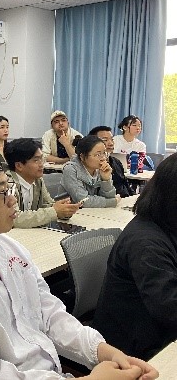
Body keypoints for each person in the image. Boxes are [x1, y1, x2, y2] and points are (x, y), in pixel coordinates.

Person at [0, 149, 158, 380]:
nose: (12, 201)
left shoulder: (8, 247)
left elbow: (49, 315)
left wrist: (104, 352)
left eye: (10, 189)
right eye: (1, 193)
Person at [93, 153, 177, 362]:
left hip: (155, 330)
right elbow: (170, 309)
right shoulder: (146, 244)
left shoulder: (164, 221)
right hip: (135, 348)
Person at [5, 138, 80, 228]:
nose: (41, 164)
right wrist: (54, 211)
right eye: (36, 160)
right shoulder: (7, 184)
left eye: (42, 159)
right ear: (19, 166)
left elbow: (47, 204)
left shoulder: (37, 180)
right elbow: (15, 219)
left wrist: (63, 210)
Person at [60, 135, 121, 208]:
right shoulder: (71, 169)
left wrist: (106, 179)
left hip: (93, 212)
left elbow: (109, 197)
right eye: (98, 154)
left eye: (104, 153)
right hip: (70, 212)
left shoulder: (99, 169)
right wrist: (113, 202)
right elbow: (83, 201)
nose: (103, 158)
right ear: (82, 157)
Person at [88, 126, 136, 197]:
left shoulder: (116, 162)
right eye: (105, 140)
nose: (111, 143)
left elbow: (126, 185)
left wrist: (135, 198)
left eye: (112, 139)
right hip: (109, 201)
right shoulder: (92, 166)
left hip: (125, 200)